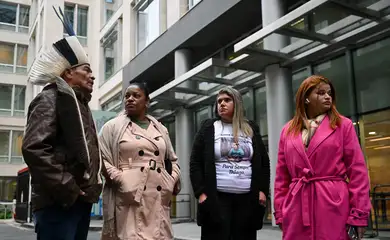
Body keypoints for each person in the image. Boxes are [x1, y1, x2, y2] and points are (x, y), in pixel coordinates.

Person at [21, 7, 103, 240]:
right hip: (60, 204)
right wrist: (70, 189)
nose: (92, 76)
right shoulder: (50, 98)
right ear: (68, 74)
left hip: (77, 201)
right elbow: (34, 148)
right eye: (86, 70)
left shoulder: (81, 105)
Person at [274, 75, 371, 240]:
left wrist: (359, 214)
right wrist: (281, 210)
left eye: (329, 93)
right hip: (296, 206)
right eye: (320, 93)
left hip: (333, 204)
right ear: (305, 98)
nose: (328, 97)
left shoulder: (343, 125)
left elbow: (357, 171)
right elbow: (281, 177)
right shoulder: (288, 130)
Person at [99, 82, 181, 240]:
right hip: (129, 195)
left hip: (157, 194)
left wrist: (171, 180)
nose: (130, 99)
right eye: (127, 96)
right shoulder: (112, 127)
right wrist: (122, 180)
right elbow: (102, 159)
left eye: (136, 96)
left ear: (147, 101)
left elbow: (172, 160)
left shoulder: (160, 128)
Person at [190, 86, 270, 240]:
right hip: (217, 200)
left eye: (227, 100)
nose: (222, 104)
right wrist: (201, 193)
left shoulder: (250, 128)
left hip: (247, 200)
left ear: (237, 103)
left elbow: (264, 163)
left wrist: (262, 191)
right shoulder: (209, 127)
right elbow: (195, 162)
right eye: (219, 101)